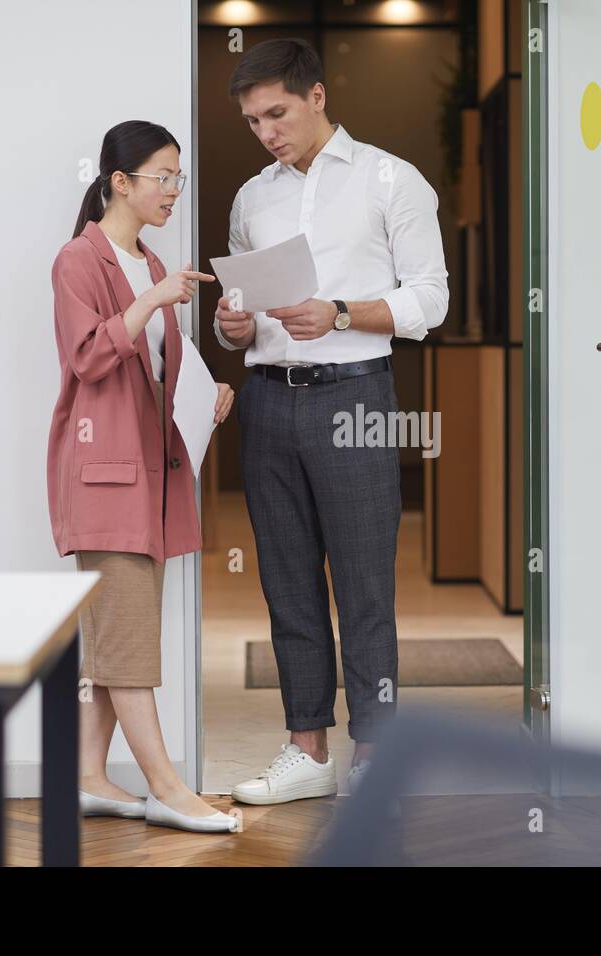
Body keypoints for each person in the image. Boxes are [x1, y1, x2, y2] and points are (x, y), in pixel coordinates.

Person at [214, 40, 449, 804]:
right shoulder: (253, 198)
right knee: (286, 584)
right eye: (253, 121)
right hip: (269, 401)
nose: (266, 132)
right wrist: (234, 328)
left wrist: (342, 311)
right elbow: (239, 322)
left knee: (364, 587)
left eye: (276, 113)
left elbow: (430, 301)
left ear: (316, 96)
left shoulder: (391, 180)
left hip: (357, 399)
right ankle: (306, 749)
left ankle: (374, 754)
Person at [47, 120, 237, 833]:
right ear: (118, 182)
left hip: (148, 479)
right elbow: (89, 358)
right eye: (164, 177)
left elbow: (162, 366)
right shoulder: (79, 261)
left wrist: (207, 389)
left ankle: (87, 777)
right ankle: (167, 788)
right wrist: (152, 303)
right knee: (126, 643)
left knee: (113, 636)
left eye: (178, 178)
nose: (174, 192)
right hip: (102, 478)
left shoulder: (153, 265)